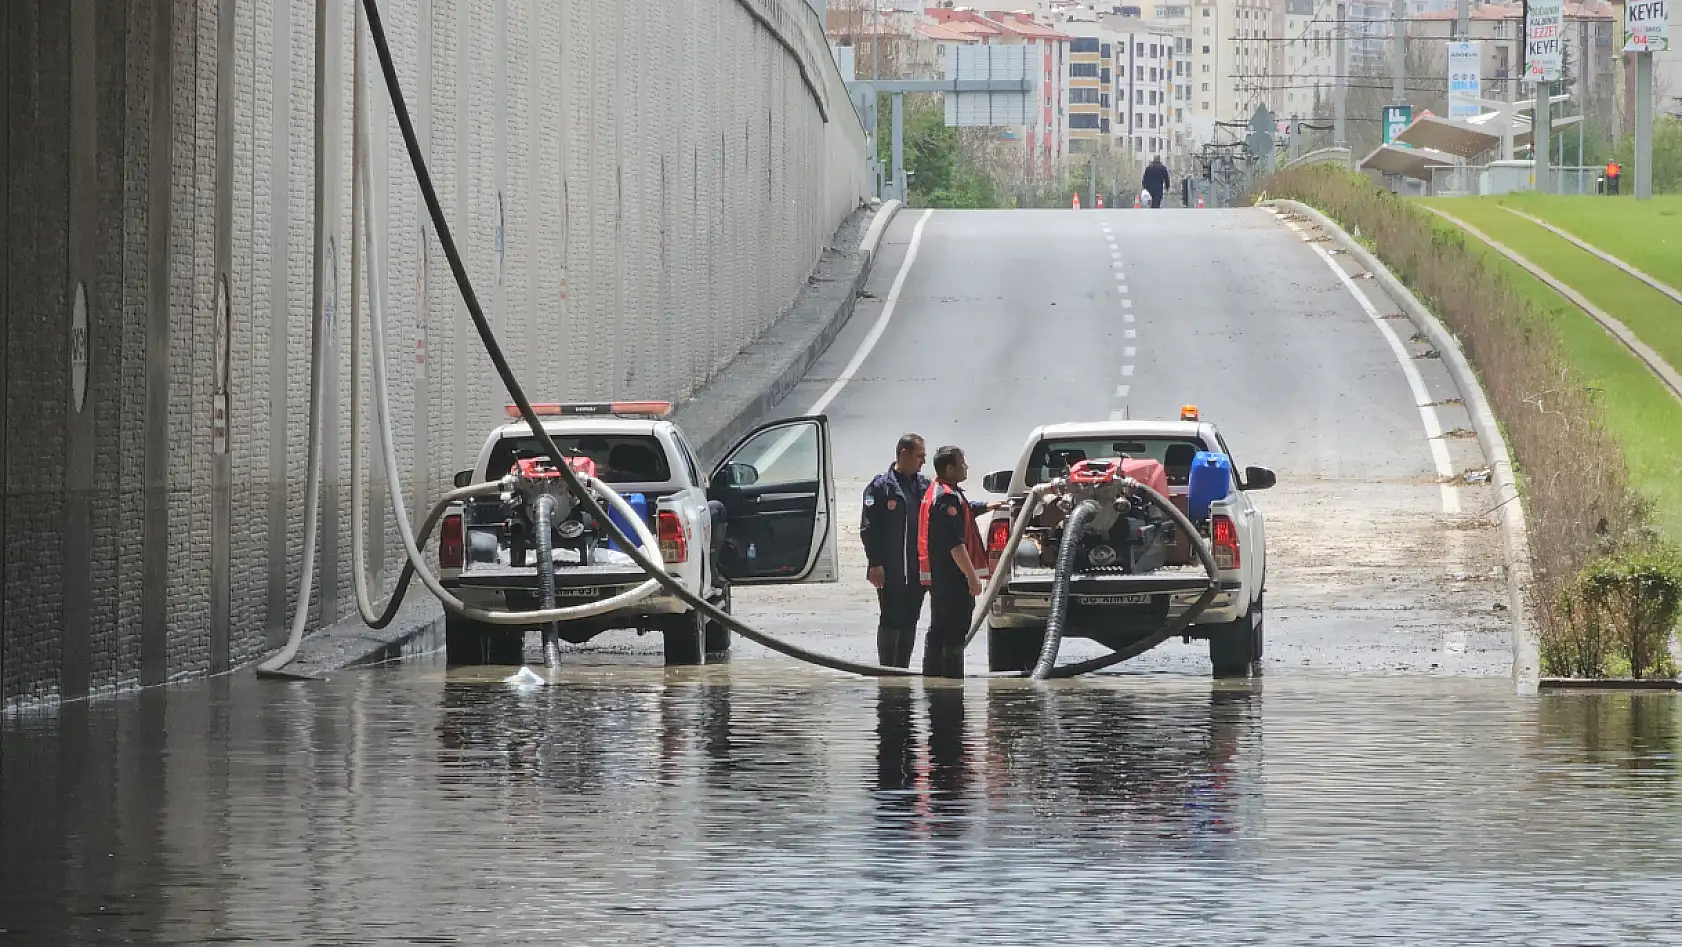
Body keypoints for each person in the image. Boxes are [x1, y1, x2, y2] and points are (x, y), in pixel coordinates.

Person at [916, 445, 999, 678]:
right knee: (953, 631)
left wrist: (985, 506)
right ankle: (951, 688)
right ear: (950, 468)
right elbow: (955, 544)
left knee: (939, 629)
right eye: (962, 463)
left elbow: (962, 511)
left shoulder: (940, 492)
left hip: (940, 577)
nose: (967, 467)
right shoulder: (947, 499)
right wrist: (972, 577)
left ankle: (934, 684)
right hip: (952, 578)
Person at [861, 434, 930, 668]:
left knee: (911, 619)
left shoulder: (925, 486)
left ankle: (903, 670)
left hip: (917, 568)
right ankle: (887, 672)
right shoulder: (880, 487)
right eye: (919, 456)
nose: (923, 462)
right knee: (891, 619)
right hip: (890, 568)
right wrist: (875, 563)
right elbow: (869, 528)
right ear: (904, 454)